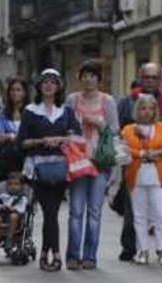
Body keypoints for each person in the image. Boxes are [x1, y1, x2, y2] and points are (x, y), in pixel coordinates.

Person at [117, 63, 162, 262]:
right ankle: (132, 247)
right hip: (133, 164)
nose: (150, 81)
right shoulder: (128, 101)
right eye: (146, 77)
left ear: (159, 80)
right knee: (133, 210)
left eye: (154, 78)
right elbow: (120, 132)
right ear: (140, 78)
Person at [17, 68, 81, 272]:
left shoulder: (67, 112)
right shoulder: (30, 111)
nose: (49, 85)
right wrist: (42, 141)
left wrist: (61, 139)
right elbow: (21, 142)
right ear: (39, 86)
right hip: (37, 168)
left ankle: (47, 253)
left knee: (51, 212)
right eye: (45, 82)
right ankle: (55, 255)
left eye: (53, 82)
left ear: (59, 86)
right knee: (49, 211)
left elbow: (77, 137)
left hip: (61, 167)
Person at [63, 60, 119, 270]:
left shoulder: (108, 101)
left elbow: (114, 130)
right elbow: (65, 124)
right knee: (76, 210)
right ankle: (72, 255)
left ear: (98, 79)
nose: (88, 80)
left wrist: (99, 123)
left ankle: (90, 256)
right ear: (80, 78)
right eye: (85, 76)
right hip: (78, 160)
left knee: (94, 211)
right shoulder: (72, 100)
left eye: (93, 76)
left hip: (100, 161)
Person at [121, 95, 162, 265]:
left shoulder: (161, 127)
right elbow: (123, 149)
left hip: (157, 174)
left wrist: (157, 153)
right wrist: (141, 154)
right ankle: (142, 249)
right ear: (137, 110)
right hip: (136, 175)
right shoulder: (129, 129)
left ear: (155, 111)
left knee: (160, 213)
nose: (147, 112)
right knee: (139, 215)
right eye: (143, 108)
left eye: (151, 108)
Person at [0, 77, 30, 185]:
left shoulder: (31, 111)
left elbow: (31, 135)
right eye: (12, 90)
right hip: (6, 158)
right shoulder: (2, 113)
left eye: (18, 90)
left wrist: (10, 136)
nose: (15, 93)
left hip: (25, 158)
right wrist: (16, 137)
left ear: (25, 93)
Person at [0, 172, 29, 259]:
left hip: (16, 220)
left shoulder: (22, 198)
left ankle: (9, 239)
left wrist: (13, 209)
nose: (13, 186)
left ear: (21, 186)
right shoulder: (3, 196)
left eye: (16, 184)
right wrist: (1, 207)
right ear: (7, 186)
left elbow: (22, 209)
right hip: (2, 217)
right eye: (10, 184)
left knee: (13, 216)